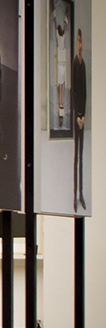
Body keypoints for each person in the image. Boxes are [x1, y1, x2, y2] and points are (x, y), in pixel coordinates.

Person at [72, 28, 87, 211]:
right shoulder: (75, 63)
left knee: (81, 157)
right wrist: (77, 116)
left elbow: (85, 93)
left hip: (82, 117)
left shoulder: (83, 65)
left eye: (81, 41)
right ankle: (74, 195)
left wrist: (84, 117)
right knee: (76, 157)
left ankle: (81, 194)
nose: (80, 44)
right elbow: (74, 92)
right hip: (77, 118)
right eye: (78, 41)